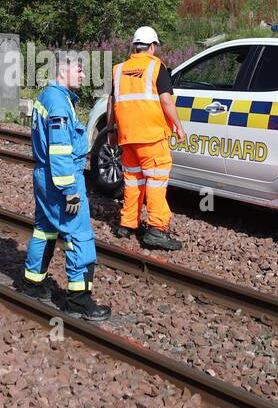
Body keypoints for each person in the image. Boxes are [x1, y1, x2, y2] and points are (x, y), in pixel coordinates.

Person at [18, 50, 110, 321]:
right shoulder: (59, 104)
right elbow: (59, 151)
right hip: (62, 178)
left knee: (44, 229)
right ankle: (78, 301)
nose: (83, 75)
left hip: (44, 177)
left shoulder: (47, 96)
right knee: (80, 234)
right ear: (63, 71)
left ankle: (32, 284)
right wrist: (70, 191)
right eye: (79, 70)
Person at [108, 26, 186, 251]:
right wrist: (179, 126)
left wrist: (111, 131)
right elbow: (166, 101)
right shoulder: (157, 68)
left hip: (127, 137)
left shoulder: (119, 70)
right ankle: (156, 230)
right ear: (152, 47)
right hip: (151, 137)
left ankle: (127, 224)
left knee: (133, 181)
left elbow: (111, 103)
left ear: (134, 46)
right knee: (156, 182)